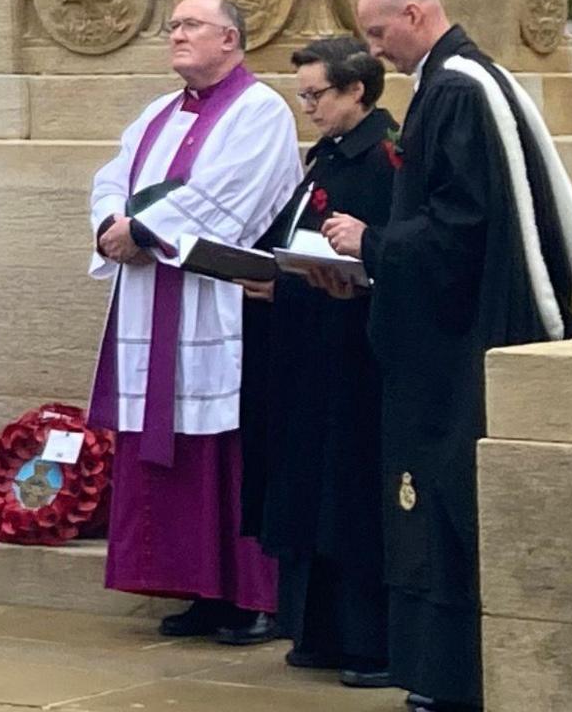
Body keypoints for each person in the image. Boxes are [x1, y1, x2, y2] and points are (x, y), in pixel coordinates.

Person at [320, 0, 572, 712]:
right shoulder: (470, 79)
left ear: (416, 14)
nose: (375, 54)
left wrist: (371, 242)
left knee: (444, 501)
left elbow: (460, 225)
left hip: (461, 339)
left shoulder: (453, 90)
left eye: (379, 35)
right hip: (462, 322)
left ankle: (453, 680)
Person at [86, 0, 297, 642]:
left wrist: (142, 231)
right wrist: (108, 228)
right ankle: (197, 587)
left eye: (191, 25)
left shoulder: (261, 111)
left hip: (220, 305)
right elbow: (109, 179)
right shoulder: (155, 113)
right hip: (153, 302)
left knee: (224, 450)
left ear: (230, 39)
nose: (175, 34)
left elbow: (235, 196)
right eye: (172, 25)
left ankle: (252, 596)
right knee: (166, 448)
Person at [243, 34, 396, 689]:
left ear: (356, 89)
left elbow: (398, 250)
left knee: (353, 495)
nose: (308, 107)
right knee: (311, 488)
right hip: (308, 350)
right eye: (301, 95)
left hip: (357, 356)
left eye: (317, 94)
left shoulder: (389, 159)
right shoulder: (327, 156)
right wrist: (268, 272)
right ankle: (319, 631)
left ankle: (369, 640)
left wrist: (362, 261)